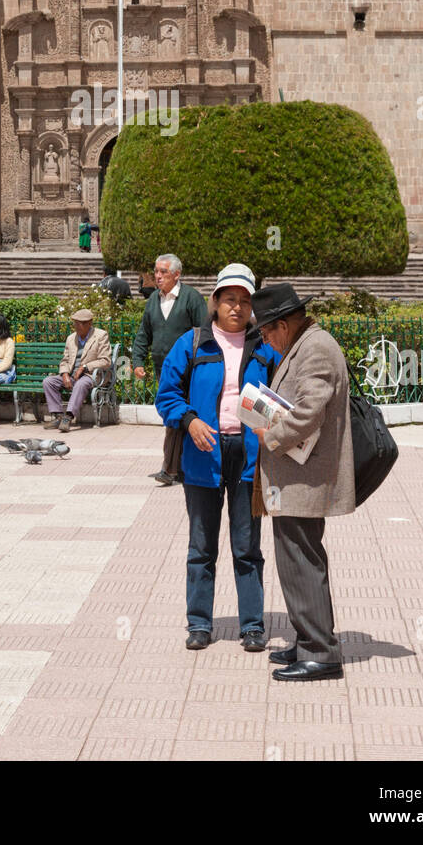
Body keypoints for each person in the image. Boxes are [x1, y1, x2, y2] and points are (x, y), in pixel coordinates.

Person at [156, 263, 278, 651]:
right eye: (230, 300)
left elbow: (281, 399)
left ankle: (253, 625)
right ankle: (199, 623)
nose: (237, 308)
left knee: (247, 546)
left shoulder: (265, 348)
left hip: (247, 455)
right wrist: (189, 420)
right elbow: (167, 396)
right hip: (203, 453)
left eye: (244, 301)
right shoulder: (192, 343)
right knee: (202, 546)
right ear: (215, 302)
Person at [249, 282, 356, 683]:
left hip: (304, 479)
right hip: (296, 477)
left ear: (285, 324)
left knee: (301, 563)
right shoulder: (305, 344)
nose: (265, 340)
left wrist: (271, 435)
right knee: (297, 561)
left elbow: (310, 410)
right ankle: (309, 638)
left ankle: (320, 653)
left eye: (266, 332)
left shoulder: (314, 347)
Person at [133, 255, 207, 486]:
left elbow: (204, 332)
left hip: (188, 370)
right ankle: (181, 468)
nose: (157, 276)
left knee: (176, 417)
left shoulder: (192, 298)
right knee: (175, 417)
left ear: (177, 274)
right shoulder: (154, 299)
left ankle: (170, 469)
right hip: (162, 370)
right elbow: (144, 333)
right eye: (156, 271)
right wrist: (137, 361)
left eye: (163, 272)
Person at [43, 309, 111, 433]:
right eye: (75, 323)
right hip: (72, 375)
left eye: (81, 323)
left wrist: (84, 366)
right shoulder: (71, 338)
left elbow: (105, 360)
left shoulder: (100, 335)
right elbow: (65, 360)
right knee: (48, 381)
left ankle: (68, 417)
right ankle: (58, 417)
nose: (77, 326)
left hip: (90, 375)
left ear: (89, 323)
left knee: (81, 384)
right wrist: (64, 374)